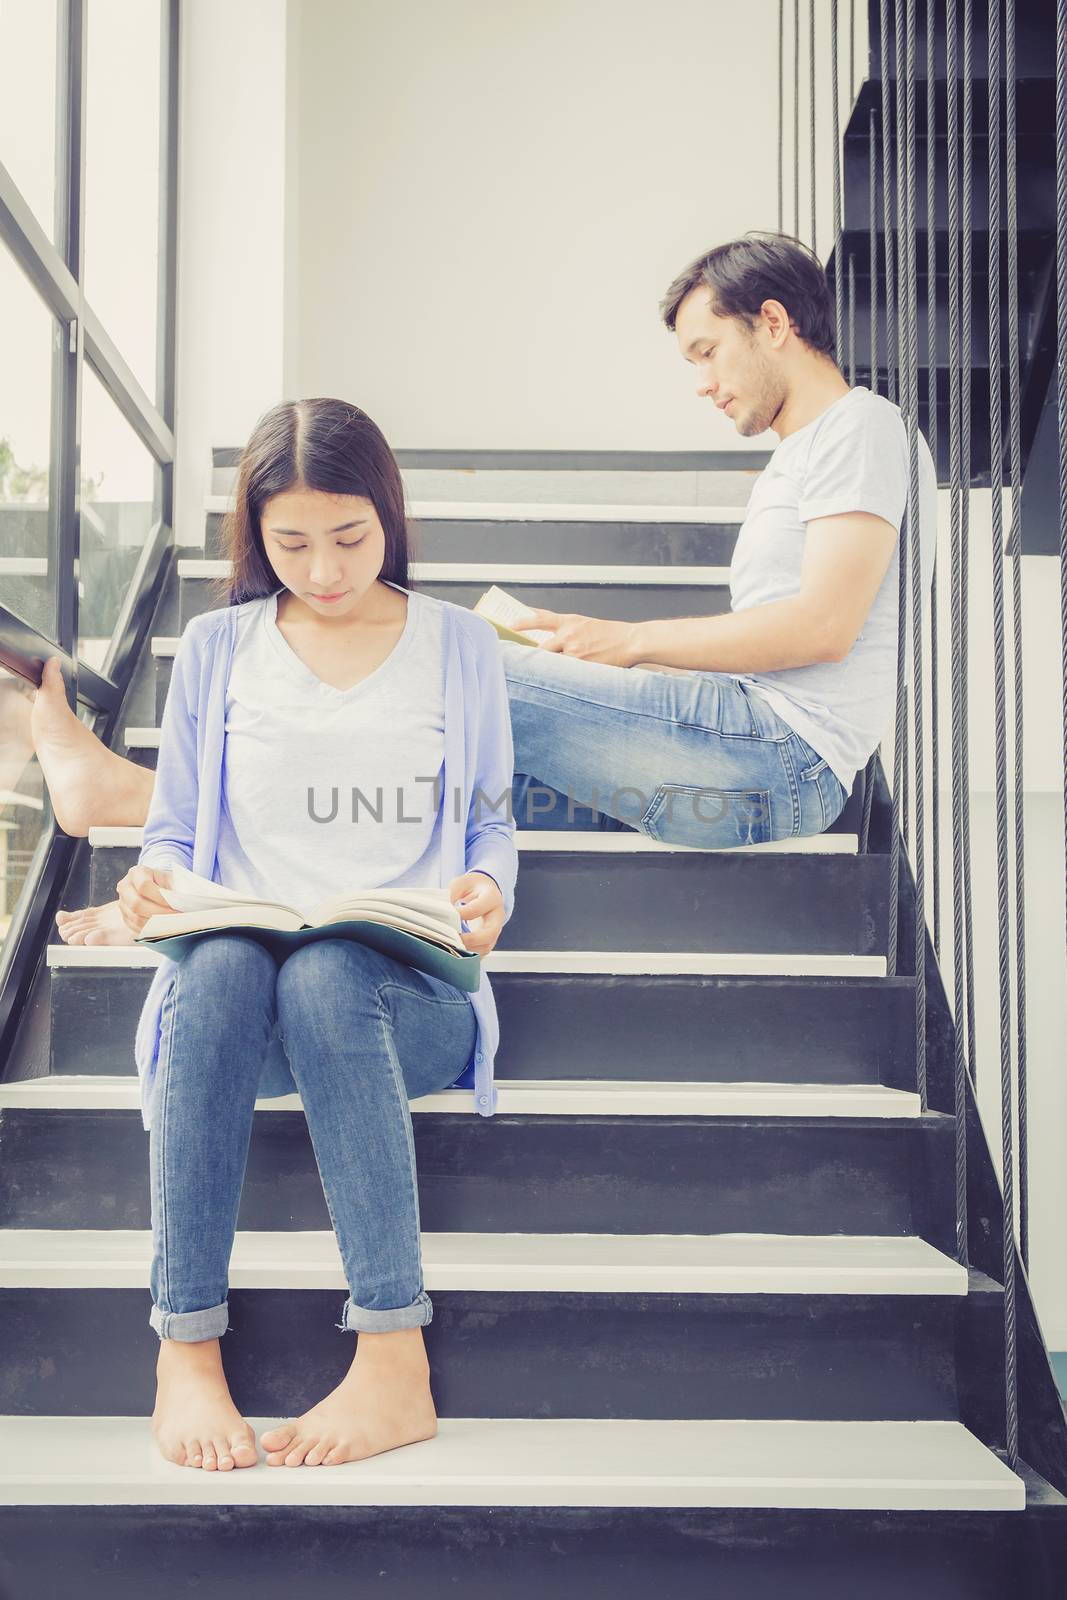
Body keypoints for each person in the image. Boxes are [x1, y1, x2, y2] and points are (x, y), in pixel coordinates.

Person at [38, 230, 938, 958]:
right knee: (445, 750)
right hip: (741, 746)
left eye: (707, 350)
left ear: (772, 322)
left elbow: (824, 628)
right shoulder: (811, 452)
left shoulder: (857, 429)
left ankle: (139, 806)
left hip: (777, 758)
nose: (702, 381)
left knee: (457, 665)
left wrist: (623, 643)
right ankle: (199, 881)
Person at [89, 397, 518, 1473]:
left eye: (349, 537)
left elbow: (491, 822)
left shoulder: (458, 647)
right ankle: (184, 1349)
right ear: (254, 533)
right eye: (290, 543)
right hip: (237, 1012)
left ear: (388, 515)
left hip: (397, 1006)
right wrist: (154, 883)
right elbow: (176, 829)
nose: (323, 568)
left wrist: (484, 885)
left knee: (330, 968)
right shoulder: (218, 646)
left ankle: (392, 1353)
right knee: (230, 958)